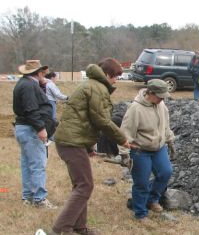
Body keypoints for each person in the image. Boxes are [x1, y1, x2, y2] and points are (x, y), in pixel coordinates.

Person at [51, 58, 132, 235]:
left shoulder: (92, 85)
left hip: (73, 141)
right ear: (107, 75)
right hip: (71, 143)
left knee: (82, 185)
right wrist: (122, 139)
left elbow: (83, 119)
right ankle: (61, 229)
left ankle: (79, 227)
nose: (116, 80)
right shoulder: (97, 88)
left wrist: (88, 147)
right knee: (85, 186)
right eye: (115, 76)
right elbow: (101, 120)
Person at [119, 79, 175, 221]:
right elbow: (125, 133)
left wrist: (170, 140)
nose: (163, 99)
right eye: (160, 96)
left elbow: (165, 126)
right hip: (140, 150)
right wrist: (124, 154)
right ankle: (140, 212)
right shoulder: (135, 109)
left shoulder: (161, 105)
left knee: (165, 172)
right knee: (141, 182)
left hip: (159, 148)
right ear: (150, 93)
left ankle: (151, 199)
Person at [13, 60, 57, 209]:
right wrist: (41, 128)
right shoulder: (30, 86)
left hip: (23, 127)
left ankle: (28, 197)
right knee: (38, 164)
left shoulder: (23, 83)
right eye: (43, 73)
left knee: (27, 164)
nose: (44, 76)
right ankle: (39, 199)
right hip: (31, 129)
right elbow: (31, 109)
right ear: (38, 73)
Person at [44, 72, 68, 142]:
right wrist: (67, 97)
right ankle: (51, 136)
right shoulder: (50, 84)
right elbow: (57, 94)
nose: (56, 79)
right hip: (51, 102)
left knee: (50, 119)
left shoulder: (46, 83)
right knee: (52, 119)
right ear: (52, 77)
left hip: (49, 101)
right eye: (56, 77)